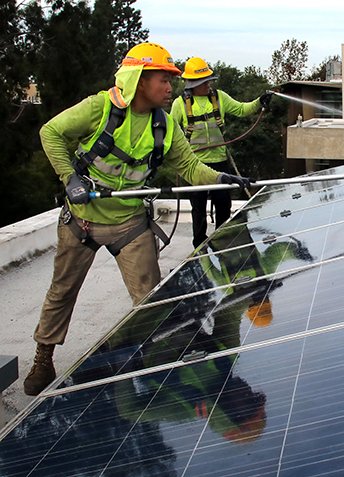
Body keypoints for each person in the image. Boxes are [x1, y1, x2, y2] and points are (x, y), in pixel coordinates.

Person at [24, 42, 252, 396]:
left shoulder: (164, 125)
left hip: (130, 224)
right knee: (62, 291)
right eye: (164, 79)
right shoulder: (100, 108)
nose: (170, 88)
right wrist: (69, 178)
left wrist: (223, 180)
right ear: (140, 80)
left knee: (151, 299)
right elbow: (50, 133)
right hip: (81, 221)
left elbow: (190, 166)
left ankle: (155, 357)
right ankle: (44, 355)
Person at [169, 57, 273, 249]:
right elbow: (171, 131)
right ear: (194, 83)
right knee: (198, 209)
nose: (209, 84)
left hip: (220, 162)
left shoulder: (219, 98)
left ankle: (224, 242)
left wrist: (259, 102)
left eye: (209, 80)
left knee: (223, 205)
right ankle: (199, 248)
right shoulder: (179, 105)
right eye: (205, 81)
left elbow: (241, 109)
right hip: (195, 166)